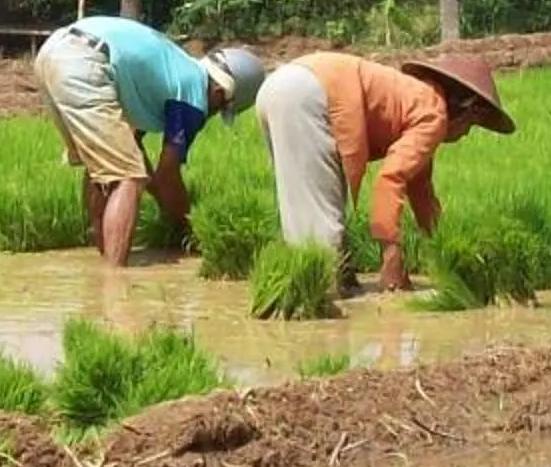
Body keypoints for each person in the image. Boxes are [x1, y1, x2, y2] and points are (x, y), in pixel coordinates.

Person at [258, 52, 514, 293]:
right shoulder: (434, 114)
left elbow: (422, 193)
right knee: (316, 233)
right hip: (310, 95)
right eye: (471, 125)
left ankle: (328, 280)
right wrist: (391, 255)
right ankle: (316, 311)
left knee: (306, 204)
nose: (467, 134)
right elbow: (390, 179)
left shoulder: (419, 100)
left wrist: (445, 251)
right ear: (466, 111)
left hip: (281, 84)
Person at [31, 15, 265, 267]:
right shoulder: (194, 96)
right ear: (220, 93)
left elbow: (136, 149)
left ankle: (103, 259)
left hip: (55, 50)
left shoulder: (174, 70)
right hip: (87, 63)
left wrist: (157, 189)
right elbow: (167, 175)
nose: (213, 113)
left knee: (103, 168)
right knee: (127, 178)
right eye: (220, 108)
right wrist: (193, 226)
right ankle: (113, 281)